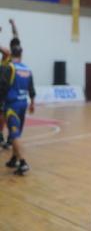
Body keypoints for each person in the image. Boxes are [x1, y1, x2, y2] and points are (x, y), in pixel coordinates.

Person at [0, 44, 35, 175]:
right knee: (17, 133)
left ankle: (23, 162)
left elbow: (2, 87)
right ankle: (14, 159)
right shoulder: (27, 69)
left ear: (11, 54)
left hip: (12, 106)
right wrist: (33, 103)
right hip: (23, 105)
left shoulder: (10, 68)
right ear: (21, 54)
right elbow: (31, 88)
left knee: (14, 134)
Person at [0, 19, 20, 149]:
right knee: (4, 114)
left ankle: (6, 137)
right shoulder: (10, 55)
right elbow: (15, 37)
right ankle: (5, 137)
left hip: (7, 89)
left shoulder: (9, 55)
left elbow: (15, 38)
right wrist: (13, 25)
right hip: (7, 88)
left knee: (6, 114)